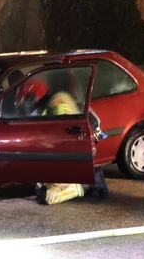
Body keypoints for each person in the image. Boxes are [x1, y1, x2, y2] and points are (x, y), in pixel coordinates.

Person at [12, 75, 108, 205]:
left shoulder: (57, 103)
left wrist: (59, 186)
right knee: (40, 187)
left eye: (26, 106)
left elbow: (67, 134)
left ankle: (86, 184)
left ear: (34, 100)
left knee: (47, 196)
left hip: (75, 156)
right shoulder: (48, 107)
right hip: (70, 155)